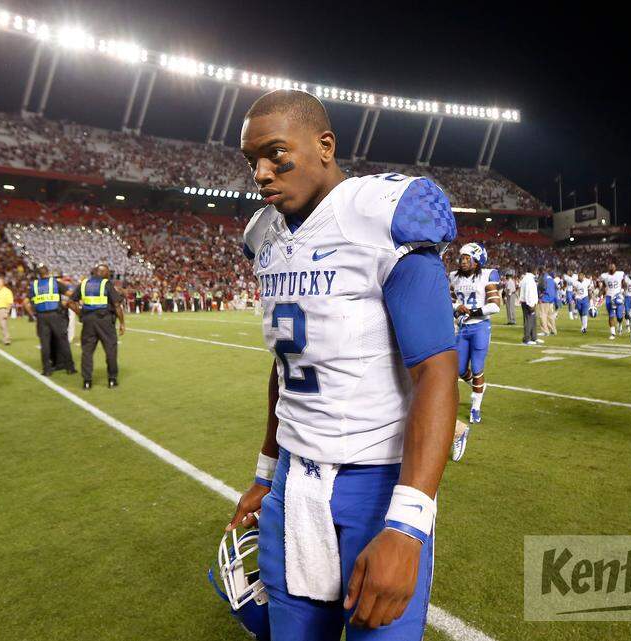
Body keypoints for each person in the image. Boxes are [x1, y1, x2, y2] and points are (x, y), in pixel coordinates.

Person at [225, 89, 458, 640]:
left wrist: (407, 523)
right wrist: (265, 475)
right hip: (292, 482)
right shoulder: (264, 236)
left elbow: (437, 371)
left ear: (325, 145)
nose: (260, 172)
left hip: (374, 484)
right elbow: (285, 367)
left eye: (276, 153)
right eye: (250, 160)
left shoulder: (380, 214)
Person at [450, 243, 501, 424]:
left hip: (479, 326)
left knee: (478, 367)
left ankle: (475, 407)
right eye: (462, 258)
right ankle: (479, 387)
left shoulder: (487, 275)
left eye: (467, 258)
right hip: (463, 328)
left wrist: (472, 312)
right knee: (460, 369)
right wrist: (457, 307)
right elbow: (450, 300)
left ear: (477, 261)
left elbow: (495, 305)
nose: (463, 261)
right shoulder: (454, 276)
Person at [67, 264, 125, 389]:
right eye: (108, 272)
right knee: (110, 350)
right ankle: (112, 379)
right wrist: (122, 323)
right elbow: (116, 305)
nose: (109, 274)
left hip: (88, 321)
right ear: (103, 273)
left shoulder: (84, 283)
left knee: (87, 352)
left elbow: (70, 302)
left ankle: (87, 382)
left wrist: (80, 313)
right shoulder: (106, 284)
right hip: (105, 321)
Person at [24, 264, 74, 377]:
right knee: (63, 341)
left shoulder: (34, 285)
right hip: (56, 315)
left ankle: (47, 369)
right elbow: (70, 294)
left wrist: (32, 314)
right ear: (48, 272)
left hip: (41, 317)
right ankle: (70, 367)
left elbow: (25, 303)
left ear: (38, 274)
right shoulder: (55, 283)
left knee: (45, 343)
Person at [600, 263, 627, 340]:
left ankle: (620, 324)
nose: (611, 267)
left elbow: (624, 284)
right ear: (608, 267)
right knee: (611, 315)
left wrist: (623, 290)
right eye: (610, 266)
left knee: (619, 316)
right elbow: (603, 287)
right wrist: (599, 296)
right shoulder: (604, 276)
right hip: (609, 296)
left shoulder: (620, 274)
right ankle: (613, 333)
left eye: (613, 266)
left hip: (618, 296)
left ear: (615, 267)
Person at [520, 265, 539, 345]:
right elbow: (528, 292)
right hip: (528, 303)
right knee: (528, 321)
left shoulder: (528, 278)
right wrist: (530, 304)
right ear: (533, 270)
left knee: (533, 321)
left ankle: (533, 338)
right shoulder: (529, 279)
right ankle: (527, 339)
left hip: (529, 302)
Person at [537, 268, 557, 337]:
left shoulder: (543, 278)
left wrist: (540, 296)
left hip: (545, 299)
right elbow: (555, 288)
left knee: (542, 315)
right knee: (550, 316)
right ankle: (553, 330)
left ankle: (545, 331)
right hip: (551, 299)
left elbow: (542, 287)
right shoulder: (551, 278)